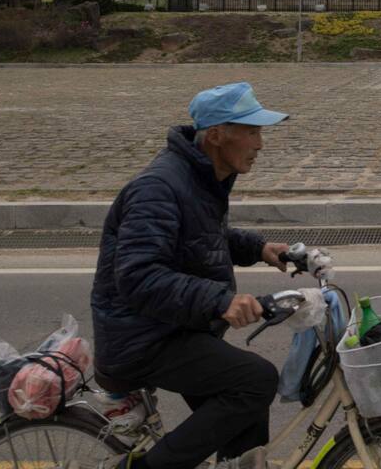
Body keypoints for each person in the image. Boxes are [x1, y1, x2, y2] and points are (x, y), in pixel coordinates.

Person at [90, 82, 295, 469]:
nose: (260, 144)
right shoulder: (158, 188)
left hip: (172, 327)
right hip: (142, 339)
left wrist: (259, 249)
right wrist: (220, 301)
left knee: (246, 414)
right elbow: (138, 276)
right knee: (255, 381)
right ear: (216, 136)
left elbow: (199, 237)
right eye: (251, 132)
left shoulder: (199, 177)